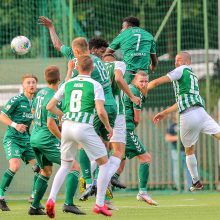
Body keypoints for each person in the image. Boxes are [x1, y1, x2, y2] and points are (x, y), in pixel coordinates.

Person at [45, 55, 113, 217]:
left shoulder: (68, 83)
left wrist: (62, 115)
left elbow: (49, 106)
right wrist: (108, 126)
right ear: (93, 68)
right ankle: (99, 204)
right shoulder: (95, 84)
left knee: (65, 166)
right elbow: (101, 111)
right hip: (83, 127)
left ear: (76, 68)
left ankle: (51, 200)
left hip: (67, 127)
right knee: (104, 163)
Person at [148, 51, 220, 191]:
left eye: (179, 59)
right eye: (175, 60)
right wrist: (164, 112)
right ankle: (195, 181)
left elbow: (157, 82)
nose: (176, 63)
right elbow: (181, 101)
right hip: (201, 113)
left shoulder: (181, 70)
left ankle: (196, 181)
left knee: (189, 150)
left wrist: (143, 88)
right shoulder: (192, 76)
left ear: (187, 62)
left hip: (188, 115)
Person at [29, 66, 85, 215]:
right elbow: (50, 124)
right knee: (74, 166)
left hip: (34, 138)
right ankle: (69, 204)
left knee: (46, 171)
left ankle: (34, 207)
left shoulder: (40, 93)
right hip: (47, 140)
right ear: (58, 79)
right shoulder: (54, 98)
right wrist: (63, 139)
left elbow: (33, 112)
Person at [0, 74, 39, 211]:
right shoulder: (17, 100)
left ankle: (34, 198)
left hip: (27, 140)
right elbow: (2, 115)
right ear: (23, 85)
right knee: (15, 166)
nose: (31, 85)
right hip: (13, 139)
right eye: (28, 82)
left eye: (33, 82)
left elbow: (34, 120)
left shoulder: (35, 102)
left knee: (39, 168)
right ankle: (0, 197)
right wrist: (15, 125)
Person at [124, 71, 158, 206]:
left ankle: (99, 190)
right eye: (141, 81)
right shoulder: (135, 92)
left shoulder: (129, 88)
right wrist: (132, 128)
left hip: (118, 128)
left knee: (116, 161)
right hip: (126, 129)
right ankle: (142, 192)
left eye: (146, 81)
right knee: (146, 158)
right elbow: (137, 119)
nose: (144, 84)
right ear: (134, 81)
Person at [105, 16, 158, 84]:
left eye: (123, 27)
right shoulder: (149, 35)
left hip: (128, 71)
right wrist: (153, 67)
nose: (122, 30)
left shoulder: (123, 34)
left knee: (128, 93)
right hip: (143, 74)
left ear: (129, 27)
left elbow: (107, 53)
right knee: (141, 93)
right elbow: (154, 60)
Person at [165, 113, 191, 190]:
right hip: (176, 151)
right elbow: (167, 138)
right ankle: (179, 187)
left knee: (189, 169)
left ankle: (190, 187)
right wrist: (177, 137)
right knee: (177, 169)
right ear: (175, 116)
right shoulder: (172, 127)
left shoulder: (187, 126)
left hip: (187, 150)